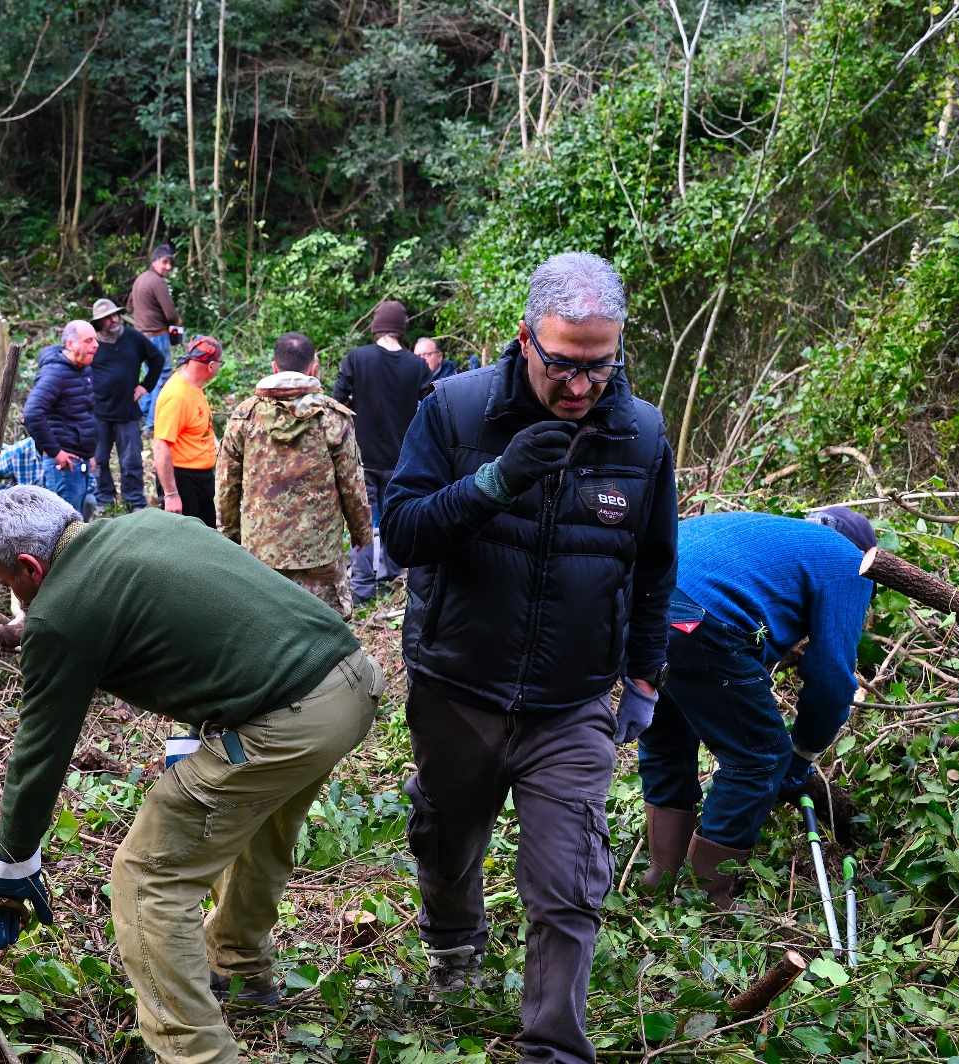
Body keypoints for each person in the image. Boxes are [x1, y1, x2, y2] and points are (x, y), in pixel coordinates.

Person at [0, 487, 383, 1064]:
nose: (11, 596)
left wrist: (11, 863)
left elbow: (40, 750)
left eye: (7, 582)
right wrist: (192, 735)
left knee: (147, 876)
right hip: (350, 682)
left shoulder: (60, 615)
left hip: (286, 716)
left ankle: (196, 1053)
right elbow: (212, 626)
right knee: (258, 827)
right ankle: (239, 967)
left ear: (31, 568)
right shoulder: (145, 526)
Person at [382, 252, 677, 1062]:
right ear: (525, 339)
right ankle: (454, 936)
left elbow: (653, 567)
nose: (581, 387)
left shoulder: (641, 434)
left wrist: (644, 678)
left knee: (567, 885)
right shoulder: (455, 410)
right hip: (459, 688)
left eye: (600, 365)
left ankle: (553, 1048)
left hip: (571, 701)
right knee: (446, 842)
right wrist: (491, 485)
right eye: (563, 365)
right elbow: (400, 533)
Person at [635, 507, 875, 906]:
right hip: (699, 618)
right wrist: (800, 755)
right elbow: (833, 680)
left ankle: (660, 878)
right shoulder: (851, 562)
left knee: (667, 740)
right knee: (759, 757)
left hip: (639, 605)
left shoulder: (771, 533)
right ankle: (707, 901)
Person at [216, 332, 371, 617]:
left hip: (261, 553)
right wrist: (362, 534)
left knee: (268, 625)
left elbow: (227, 485)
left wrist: (230, 535)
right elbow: (352, 485)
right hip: (319, 552)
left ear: (274, 367)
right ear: (313, 366)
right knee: (324, 630)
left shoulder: (244, 417)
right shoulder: (332, 418)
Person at [334, 299, 430, 604]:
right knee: (392, 515)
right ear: (401, 329)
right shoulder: (417, 366)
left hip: (362, 455)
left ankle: (362, 587)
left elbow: (337, 401)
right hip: (401, 457)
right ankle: (389, 577)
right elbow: (431, 408)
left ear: (376, 325)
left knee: (363, 519)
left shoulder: (357, 359)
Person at [88, 297, 163, 511]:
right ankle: (105, 500)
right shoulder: (92, 343)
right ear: (98, 323)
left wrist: (144, 387)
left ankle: (134, 502)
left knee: (131, 462)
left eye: (114, 315)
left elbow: (157, 359)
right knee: (99, 460)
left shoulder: (132, 338)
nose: (113, 320)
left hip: (127, 412)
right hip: (99, 412)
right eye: (106, 318)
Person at [22, 320, 98, 517]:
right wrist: (55, 452)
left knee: (83, 514)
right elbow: (32, 412)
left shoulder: (83, 370)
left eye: (95, 340)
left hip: (81, 460)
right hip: (64, 466)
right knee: (64, 526)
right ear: (71, 344)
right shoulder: (56, 373)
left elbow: (83, 414)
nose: (95, 345)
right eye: (89, 341)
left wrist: (89, 454)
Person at [152, 335, 223, 527]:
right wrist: (171, 494)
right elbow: (160, 447)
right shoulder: (177, 396)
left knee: (206, 539)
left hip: (201, 479)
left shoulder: (194, 387)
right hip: (183, 480)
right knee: (184, 544)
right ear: (211, 366)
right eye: (219, 364)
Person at [130, 243, 182, 429]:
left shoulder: (140, 279)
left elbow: (129, 306)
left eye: (170, 263)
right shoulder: (157, 282)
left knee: (150, 376)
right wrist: (177, 322)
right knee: (162, 376)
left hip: (140, 335)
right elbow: (170, 314)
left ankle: (142, 414)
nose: (168, 267)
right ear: (154, 261)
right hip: (156, 335)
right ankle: (152, 422)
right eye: (164, 262)